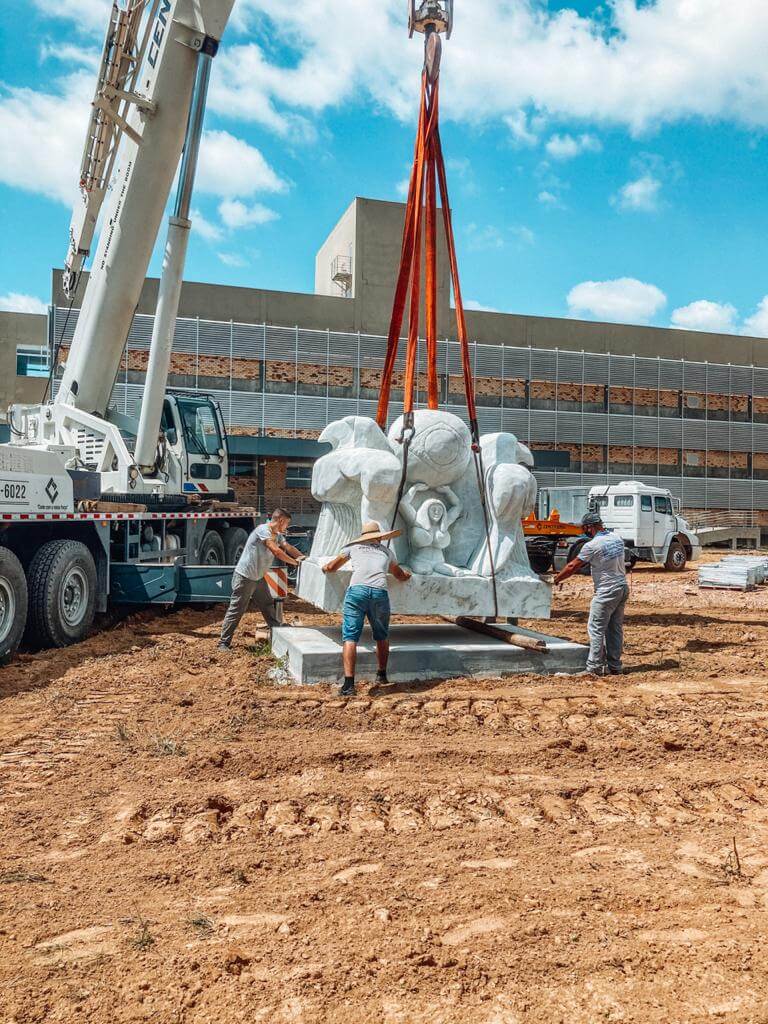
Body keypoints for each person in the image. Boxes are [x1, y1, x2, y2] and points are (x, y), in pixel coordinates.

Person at [322, 521, 411, 696]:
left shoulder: (353, 548)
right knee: (382, 636)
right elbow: (399, 575)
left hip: (357, 592)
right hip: (379, 592)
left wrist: (325, 568)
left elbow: (332, 567)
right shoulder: (386, 551)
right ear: (379, 537)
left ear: (362, 537)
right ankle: (381, 675)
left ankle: (348, 685)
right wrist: (407, 575)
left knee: (350, 638)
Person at [554, 511, 629, 676]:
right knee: (614, 629)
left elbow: (573, 566)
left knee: (596, 628)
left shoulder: (592, 545)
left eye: (585, 528)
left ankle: (593, 668)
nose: (584, 532)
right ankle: (615, 666)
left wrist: (556, 579)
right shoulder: (616, 538)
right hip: (622, 587)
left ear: (590, 527)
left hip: (606, 591)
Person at [218, 508, 305, 651]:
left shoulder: (278, 535)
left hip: (258, 577)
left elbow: (287, 547)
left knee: (267, 604)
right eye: (286, 524)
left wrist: (303, 559)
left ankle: (278, 631)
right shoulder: (263, 530)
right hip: (245, 577)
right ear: (281, 520)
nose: (287, 527)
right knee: (237, 609)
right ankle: (223, 643)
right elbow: (276, 551)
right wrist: (295, 563)